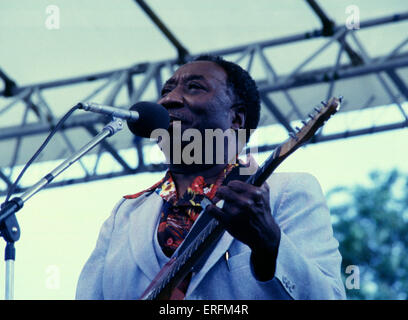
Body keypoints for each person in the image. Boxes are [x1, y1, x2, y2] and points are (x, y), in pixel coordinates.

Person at [75, 55, 346, 300]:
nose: (168, 99)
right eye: (166, 90)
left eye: (194, 87)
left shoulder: (287, 191)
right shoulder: (124, 215)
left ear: (236, 119)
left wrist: (270, 243)